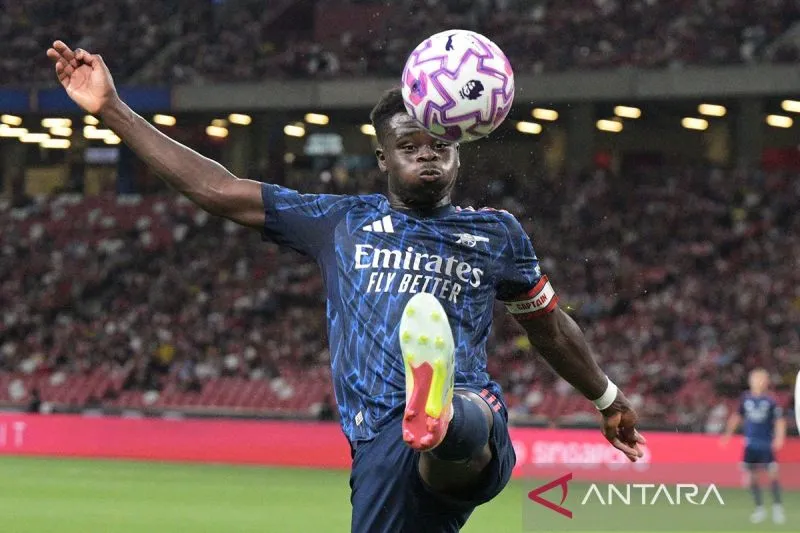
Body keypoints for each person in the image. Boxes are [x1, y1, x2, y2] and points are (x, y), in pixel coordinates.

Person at [46, 41, 646, 532]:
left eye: (440, 146)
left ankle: (440, 412)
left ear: (460, 156)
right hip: (379, 439)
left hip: (470, 420)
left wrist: (607, 398)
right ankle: (432, 417)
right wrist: (113, 110)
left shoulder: (495, 234)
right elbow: (219, 189)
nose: (427, 157)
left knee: (468, 428)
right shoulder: (340, 223)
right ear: (383, 159)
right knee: (422, 467)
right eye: (408, 147)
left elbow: (549, 326)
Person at [722, 368, 787, 524]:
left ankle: (777, 508)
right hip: (750, 444)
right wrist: (727, 434)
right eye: (756, 379)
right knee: (752, 477)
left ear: (766, 382)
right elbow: (737, 417)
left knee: (772, 475)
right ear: (750, 381)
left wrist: (779, 437)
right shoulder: (745, 399)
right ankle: (759, 508)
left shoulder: (770, 401)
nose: (758, 382)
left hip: (765, 444)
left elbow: (780, 420)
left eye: (761, 379)